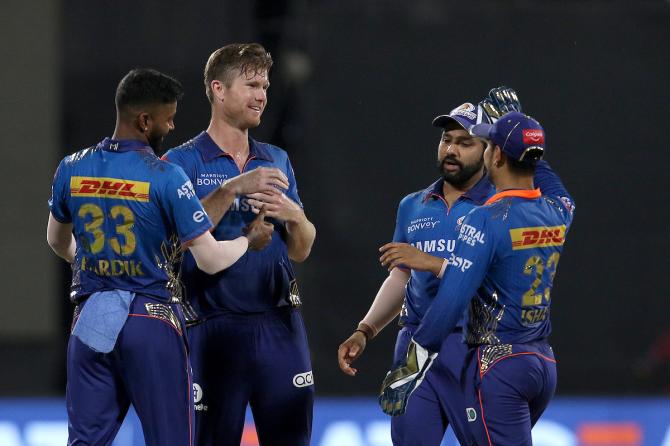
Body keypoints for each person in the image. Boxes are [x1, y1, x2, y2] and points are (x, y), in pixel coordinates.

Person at [46, 68, 273, 446]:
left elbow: (56, 240)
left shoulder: (71, 168)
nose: (171, 126)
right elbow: (211, 259)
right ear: (144, 120)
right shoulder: (166, 176)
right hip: (150, 321)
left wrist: (95, 269)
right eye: (167, 118)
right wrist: (249, 240)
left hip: (89, 321)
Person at [338, 88, 523, 446]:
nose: (451, 149)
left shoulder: (503, 205)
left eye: (465, 142)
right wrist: (365, 330)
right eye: (446, 139)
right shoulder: (413, 205)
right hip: (416, 347)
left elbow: (502, 280)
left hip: (476, 348)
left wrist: (430, 262)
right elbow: (401, 276)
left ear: (488, 150)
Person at [379, 111, 576, 446]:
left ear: (495, 154)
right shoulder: (559, 209)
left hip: (498, 366)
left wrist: (412, 365)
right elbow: (544, 173)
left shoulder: (484, 220)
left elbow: (452, 300)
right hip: (541, 362)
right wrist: (523, 133)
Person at [162, 43, 316, 446]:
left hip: (279, 325)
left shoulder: (276, 159)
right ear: (218, 89)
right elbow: (176, 242)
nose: (261, 94)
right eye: (250, 84)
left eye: (264, 85)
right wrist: (232, 189)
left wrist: (295, 217)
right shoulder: (181, 162)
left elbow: (300, 248)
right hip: (212, 326)